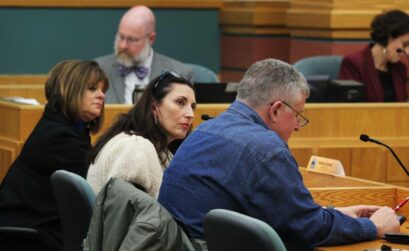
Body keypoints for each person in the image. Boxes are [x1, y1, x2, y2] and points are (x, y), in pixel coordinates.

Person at [158, 59, 400, 250]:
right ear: (275, 110)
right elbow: (309, 229)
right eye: (298, 115)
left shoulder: (206, 130)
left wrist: (332, 215)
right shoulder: (267, 149)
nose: (297, 126)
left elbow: (287, 214)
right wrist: (372, 226)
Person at [0, 60, 108, 251]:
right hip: (28, 237)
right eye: (92, 88)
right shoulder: (60, 137)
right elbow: (99, 188)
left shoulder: (63, 127)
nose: (101, 95)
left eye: (102, 90)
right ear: (69, 90)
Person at [87, 70, 196, 198]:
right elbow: (125, 213)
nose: (190, 114)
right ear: (154, 107)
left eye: (193, 106)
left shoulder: (157, 149)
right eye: (180, 102)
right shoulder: (136, 147)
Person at [95, 5, 193, 104]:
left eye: (132, 39)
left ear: (151, 39)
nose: (123, 45)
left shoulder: (179, 74)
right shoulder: (98, 69)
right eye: (121, 37)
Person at [339, 10, 409, 102]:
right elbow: (350, 109)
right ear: (388, 37)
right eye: (404, 44)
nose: (407, 51)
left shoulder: (400, 68)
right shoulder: (354, 64)